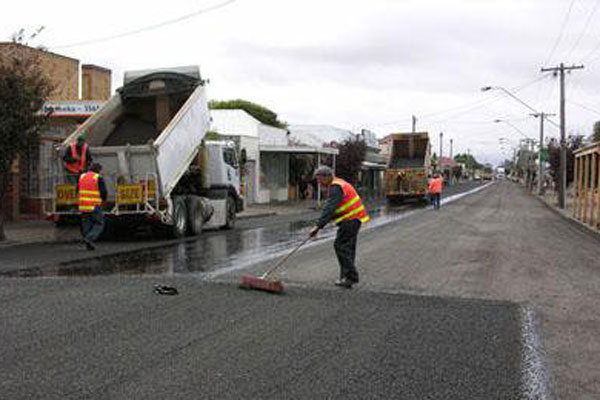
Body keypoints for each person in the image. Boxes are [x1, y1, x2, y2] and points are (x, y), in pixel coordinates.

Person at [309, 166, 370, 289]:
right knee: (348, 248)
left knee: (341, 246)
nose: (319, 183)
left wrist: (318, 226)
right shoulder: (340, 183)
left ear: (326, 176)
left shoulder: (336, 186)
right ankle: (346, 278)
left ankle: (350, 276)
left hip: (350, 220)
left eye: (320, 180)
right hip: (354, 219)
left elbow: (330, 208)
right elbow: (337, 209)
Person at [78, 163, 107, 250]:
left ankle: (88, 242)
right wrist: (103, 200)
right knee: (99, 223)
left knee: (86, 223)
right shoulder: (98, 177)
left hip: (83, 205)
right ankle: (89, 239)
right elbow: (103, 191)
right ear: (98, 170)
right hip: (94, 204)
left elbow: (77, 189)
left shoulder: (82, 176)